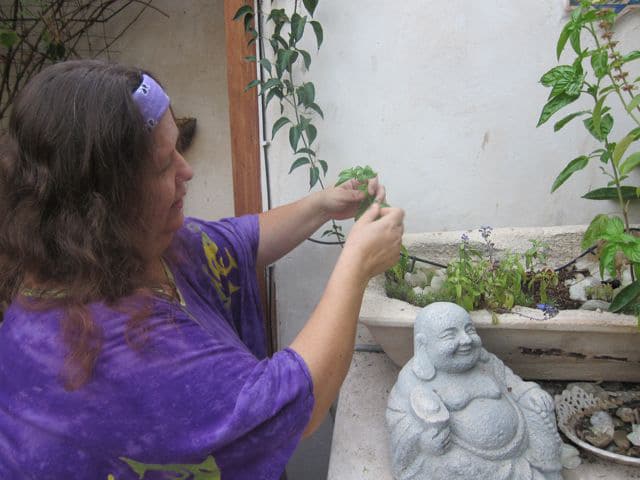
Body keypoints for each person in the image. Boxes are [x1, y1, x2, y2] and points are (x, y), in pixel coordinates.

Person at [0, 60, 404, 479]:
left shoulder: (127, 250)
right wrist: (357, 264)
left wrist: (320, 206)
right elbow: (292, 404)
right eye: (162, 166)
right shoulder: (106, 348)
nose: (186, 169)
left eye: (179, 147)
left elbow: (238, 241)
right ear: (100, 204)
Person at [386, 302, 562, 480]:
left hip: (520, 440)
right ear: (423, 344)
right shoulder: (413, 379)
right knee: (454, 465)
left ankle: (548, 471)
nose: (466, 340)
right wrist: (424, 442)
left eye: (469, 330)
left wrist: (528, 392)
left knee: (539, 408)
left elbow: (511, 382)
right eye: (450, 335)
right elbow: (400, 423)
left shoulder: (485, 361)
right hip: (466, 456)